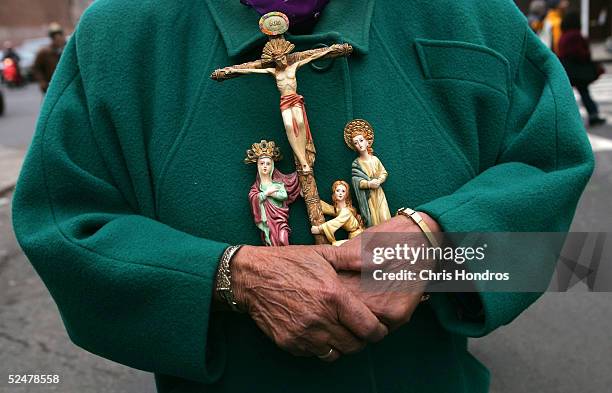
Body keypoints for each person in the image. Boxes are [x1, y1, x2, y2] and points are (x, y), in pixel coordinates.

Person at [12, 1, 594, 393]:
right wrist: (230, 278)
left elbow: (557, 241)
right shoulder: (122, 34)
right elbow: (65, 224)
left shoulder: (477, 15)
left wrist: (438, 245)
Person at [246, 140, 301, 246]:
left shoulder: (278, 184)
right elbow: (253, 197)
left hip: (280, 219)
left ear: (272, 166)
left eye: (268, 164)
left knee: (283, 237)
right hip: (267, 220)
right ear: (258, 166)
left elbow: (284, 196)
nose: (265, 166)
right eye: (262, 164)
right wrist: (266, 193)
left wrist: (271, 194)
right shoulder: (257, 187)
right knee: (270, 240)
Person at [558, 12, 606, 127]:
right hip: (577, 70)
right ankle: (593, 115)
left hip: (566, 68)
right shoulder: (576, 35)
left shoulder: (563, 36)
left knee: (566, 94)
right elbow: (579, 52)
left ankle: (562, 117)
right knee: (584, 92)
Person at [311, 180, 364, 246]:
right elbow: (328, 208)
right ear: (334, 193)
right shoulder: (339, 209)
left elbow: (336, 222)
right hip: (352, 237)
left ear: (346, 194)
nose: (340, 193)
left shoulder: (346, 211)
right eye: (338, 190)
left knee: (335, 245)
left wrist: (319, 229)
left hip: (358, 237)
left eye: (343, 191)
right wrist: (310, 198)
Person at [32, 23, 65, 94]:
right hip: (50, 85)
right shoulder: (44, 52)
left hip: (65, 84)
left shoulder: (67, 50)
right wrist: (42, 81)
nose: (58, 39)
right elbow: (36, 68)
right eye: (55, 37)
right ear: (52, 38)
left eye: (60, 36)